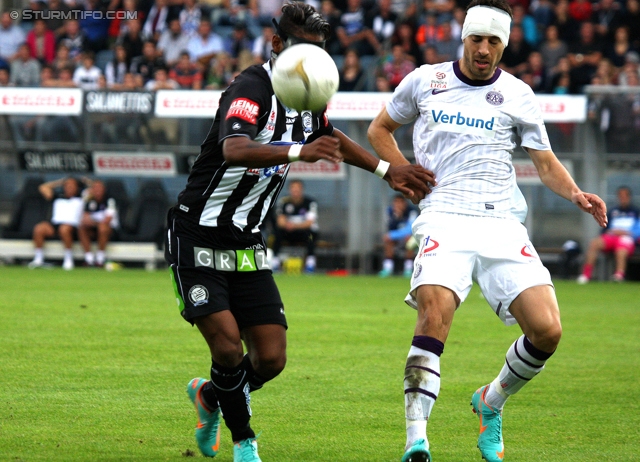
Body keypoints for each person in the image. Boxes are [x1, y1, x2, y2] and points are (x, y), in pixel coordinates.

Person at [164, 2, 434, 461]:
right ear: (276, 46)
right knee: (228, 348)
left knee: (271, 358)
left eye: (319, 51)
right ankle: (245, 443)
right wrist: (298, 153)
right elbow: (234, 148)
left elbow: (330, 137)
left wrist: (389, 170)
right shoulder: (251, 87)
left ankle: (210, 397)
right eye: (302, 50)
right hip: (198, 235)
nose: (312, 62)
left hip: (246, 241)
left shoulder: (309, 94)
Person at [366, 0, 608, 461]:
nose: (483, 49)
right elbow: (381, 129)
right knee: (434, 315)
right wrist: (402, 171)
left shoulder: (518, 94)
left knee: (548, 331)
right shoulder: (425, 80)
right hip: (445, 217)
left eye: (493, 41)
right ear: (464, 38)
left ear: (504, 45)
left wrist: (576, 194)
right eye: (476, 39)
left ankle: (490, 402)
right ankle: (416, 441)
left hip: (500, 221)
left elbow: (545, 161)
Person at [577, 186, 639, 283]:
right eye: (620, 196)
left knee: (621, 249)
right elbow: (604, 226)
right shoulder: (612, 211)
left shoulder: (636, 212)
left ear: (629, 197)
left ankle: (619, 275)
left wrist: (624, 233)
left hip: (627, 237)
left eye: (624, 196)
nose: (622, 198)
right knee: (594, 243)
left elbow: (637, 231)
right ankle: (586, 275)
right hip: (612, 236)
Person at [29, 177, 87, 271]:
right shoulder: (57, 196)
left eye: (72, 185)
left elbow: (96, 190)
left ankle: (68, 259)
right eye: (67, 185)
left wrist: (86, 181)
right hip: (55, 224)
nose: (69, 187)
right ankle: (38, 258)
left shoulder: (82, 196)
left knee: (64, 229)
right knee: (39, 228)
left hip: (72, 225)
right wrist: (59, 182)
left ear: (77, 187)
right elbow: (43, 187)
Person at [271, 179, 319, 273]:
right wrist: (288, 225)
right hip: (288, 233)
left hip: (303, 234)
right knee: (277, 232)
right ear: (290, 189)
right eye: (293, 188)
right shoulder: (283, 202)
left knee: (311, 234)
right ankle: (275, 261)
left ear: (302, 189)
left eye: (298, 188)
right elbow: (280, 222)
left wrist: (294, 225)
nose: (295, 190)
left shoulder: (310, 203)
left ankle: (310, 263)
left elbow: (309, 222)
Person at [78, 180, 119, 268]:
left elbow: (107, 220)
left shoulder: (110, 200)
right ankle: (89, 259)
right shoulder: (89, 201)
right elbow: (84, 218)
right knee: (82, 228)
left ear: (104, 189)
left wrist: (93, 222)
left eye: (99, 188)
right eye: (95, 188)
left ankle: (100, 258)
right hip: (95, 230)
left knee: (102, 228)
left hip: (110, 231)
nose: (97, 191)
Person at [379, 193, 418, 278]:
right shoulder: (389, 211)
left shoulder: (412, 212)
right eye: (396, 202)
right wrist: (397, 216)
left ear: (405, 203)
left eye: (401, 202)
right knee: (388, 240)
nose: (398, 204)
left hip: (410, 237)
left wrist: (392, 235)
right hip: (397, 237)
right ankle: (388, 269)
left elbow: (410, 229)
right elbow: (390, 227)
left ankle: (408, 269)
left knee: (409, 240)